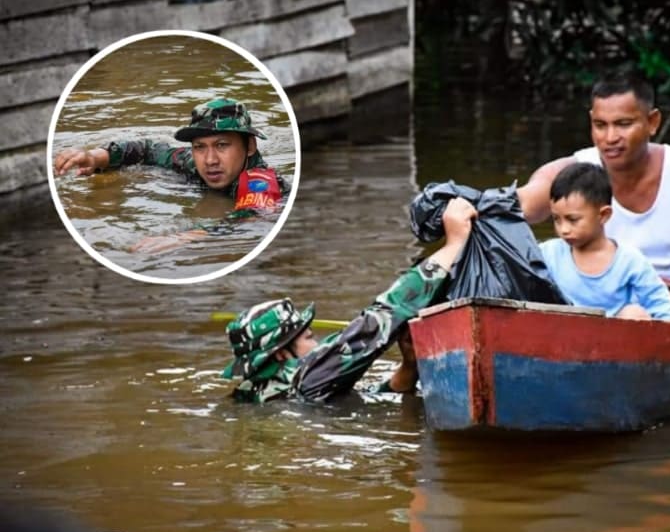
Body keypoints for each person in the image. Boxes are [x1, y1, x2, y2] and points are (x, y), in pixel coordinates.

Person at [517, 69, 670, 318]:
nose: (610, 138)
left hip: (661, 302)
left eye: (624, 124)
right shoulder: (569, 172)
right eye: (600, 125)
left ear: (652, 122)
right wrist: (478, 205)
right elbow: (521, 203)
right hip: (582, 305)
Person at [220, 197, 478, 403]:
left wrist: (409, 367)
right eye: (306, 337)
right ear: (279, 355)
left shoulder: (261, 394)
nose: (314, 335)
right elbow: (379, 320)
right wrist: (453, 245)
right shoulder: (306, 377)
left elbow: (365, 399)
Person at [52, 97, 288, 252]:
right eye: (200, 147)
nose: (210, 160)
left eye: (222, 145)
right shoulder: (194, 162)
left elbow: (251, 218)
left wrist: (183, 238)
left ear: (249, 146)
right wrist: (95, 157)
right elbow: (148, 150)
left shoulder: (261, 181)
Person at [539, 162, 670, 320]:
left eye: (573, 219)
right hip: (563, 334)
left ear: (603, 215)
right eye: (556, 219)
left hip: (613, 338)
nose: (563, 229)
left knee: (634, 313)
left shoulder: (629, 261)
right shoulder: (547, 254)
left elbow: (662, 307)